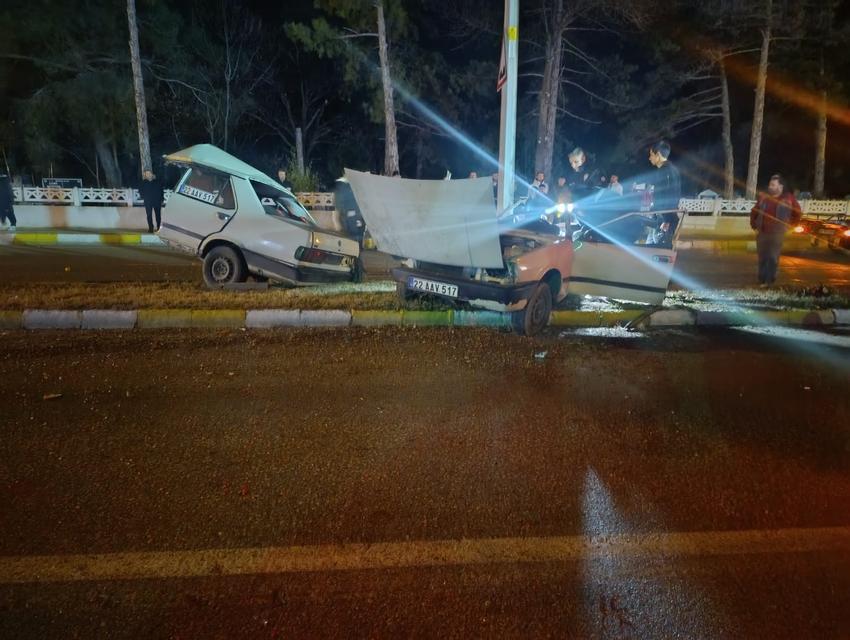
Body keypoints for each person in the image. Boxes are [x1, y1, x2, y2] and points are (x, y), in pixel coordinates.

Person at [750, 174, 801, 286]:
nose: (770, 186)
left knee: (772, 257)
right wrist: (754, 225)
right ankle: (762, 280)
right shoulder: (764, 197)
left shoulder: (788, 198)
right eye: (770, 184)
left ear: (780, 186)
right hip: (762, 232)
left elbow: (797, 213)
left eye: (773, 185)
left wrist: (791, 225)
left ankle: (769, 281)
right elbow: (754, 211)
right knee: (762, 257)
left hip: (777, 233)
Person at [646, 140, 681, 246]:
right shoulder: (673, 170)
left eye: (651, 154)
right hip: (665, 215)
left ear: (658, 154)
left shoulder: (665, 171)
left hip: (664, 217)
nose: (649, 158)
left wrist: (666, 220)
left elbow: (669, 195)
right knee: (650, 247)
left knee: (658, 249)